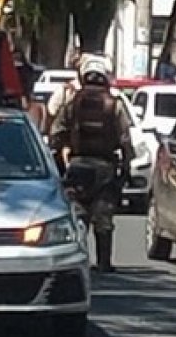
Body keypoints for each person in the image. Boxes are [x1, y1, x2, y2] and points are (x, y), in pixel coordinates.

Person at [49, 54, 135, 273]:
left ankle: (76, 261)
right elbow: (125, 140)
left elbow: (56, 134)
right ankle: (104, 262)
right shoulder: (114, 105)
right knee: (103, 217)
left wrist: (60, 157)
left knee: (78, 215)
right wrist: (126, 168)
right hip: (105, 168)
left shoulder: (72, 102)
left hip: (77, 166)